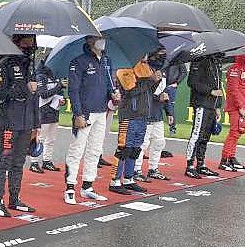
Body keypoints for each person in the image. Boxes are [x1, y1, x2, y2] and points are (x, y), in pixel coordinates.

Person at [0, 35, 39, 217]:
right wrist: (25, 87)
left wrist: (36, 124)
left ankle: (14, 198)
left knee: (19, 162)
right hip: (8, 121)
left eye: (32, 41)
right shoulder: (3, 64)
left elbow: (34, 97)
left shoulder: (30, 65)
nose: (30, 45)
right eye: (27, 41)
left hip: (26, 122)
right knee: (3, 161)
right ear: (17, 42)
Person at [64, 36, 120, 205]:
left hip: (101, 112)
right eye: (98, 38)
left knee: (95, 150)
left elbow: (110, 86)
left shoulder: (107, 61)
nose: (102, 41)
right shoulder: (78, 62)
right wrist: (78, 114)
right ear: (90, 41)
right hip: (85, 113)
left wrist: (114, 94)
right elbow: (73, 91)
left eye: (103, 38)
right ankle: (70, 187)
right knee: (77, 150)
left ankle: (87, 186)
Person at [110, 57, 159, 194]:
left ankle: (129, 179)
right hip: (129, 115)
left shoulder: (146, 66)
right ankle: (114, 181)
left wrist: (157, 80)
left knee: (135, 149)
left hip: (143, 115)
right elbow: (131, 90)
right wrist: (151, 80)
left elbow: (149, 90)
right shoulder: (124, 68)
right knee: (123, 149)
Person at [185, 54, 223, 178]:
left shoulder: (217, 62)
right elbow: (192, 82)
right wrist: (210, 91)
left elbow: (218, 86)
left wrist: (218, 106)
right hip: (201, 103)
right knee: (197, 134)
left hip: (212, 105)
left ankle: (200, 164)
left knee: (206, 136)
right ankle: (190, 166)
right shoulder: (199, 60)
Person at [136, 48, 171, 180]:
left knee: (159, 141)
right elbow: (143, 92)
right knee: (143, 143)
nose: (163, 54)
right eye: (161, 52)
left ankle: (153, 168)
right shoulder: (144, 68)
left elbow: (164, 91)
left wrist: (169, 111)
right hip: (146, 110)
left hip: (158, 112)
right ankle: (136, 170)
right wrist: (157, 96)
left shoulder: (164, 69)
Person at [220, 54, 245, 171]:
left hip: (243, 106)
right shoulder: (235, 69)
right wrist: (240, 107)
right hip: (236, 107)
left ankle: (231, 157)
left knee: (239, 131)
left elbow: (244, 88)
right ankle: (224, 160)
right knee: (234, 132)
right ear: (244, 56)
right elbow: (233, 90)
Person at [29, 58, 66, 173]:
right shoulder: (40, 75)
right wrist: (59, 86)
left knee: (51, 139)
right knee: (40, 138)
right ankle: (34, 162)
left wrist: (62, 99)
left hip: (54, 111)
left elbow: (58, 93)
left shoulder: (56, 75)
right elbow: (43, 94)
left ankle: (47, 161)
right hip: (43, 111)